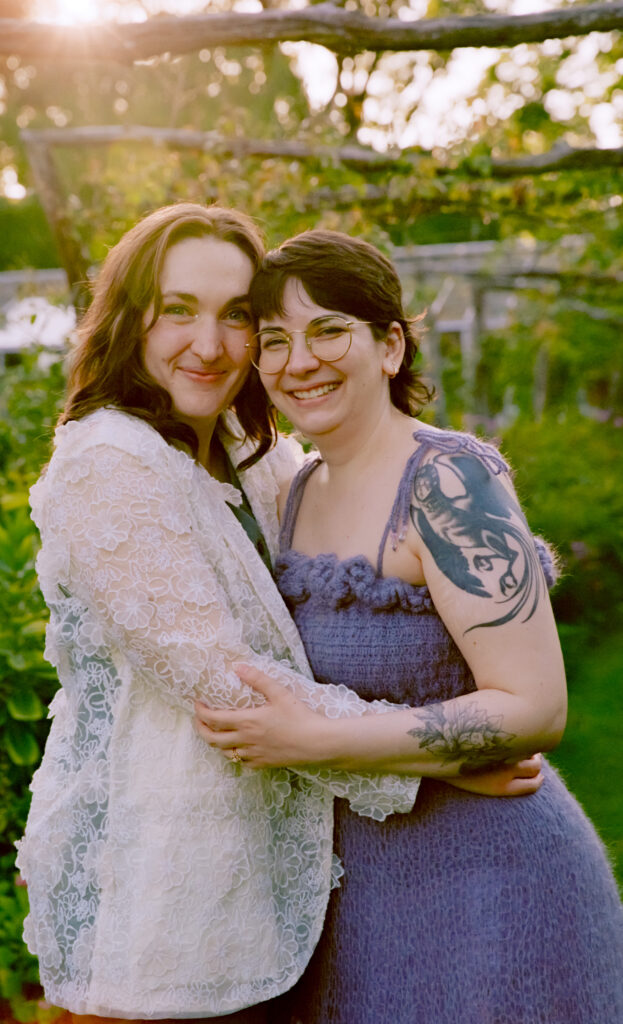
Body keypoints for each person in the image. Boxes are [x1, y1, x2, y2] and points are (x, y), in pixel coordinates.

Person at [16, 204, 541, 1024]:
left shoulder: (248, 454)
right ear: (128, 319)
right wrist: (440, 760)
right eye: (178, 310)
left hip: (278, 900)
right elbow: (234, 693)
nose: (210, 343)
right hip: (167, 907)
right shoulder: (107, 462)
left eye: (236, 317)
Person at [195, 228, 623, 1024]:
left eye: (328, 330)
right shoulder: (296, 491)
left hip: (495, 889)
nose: (297, 361)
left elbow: (534, 707)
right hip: (363, 895)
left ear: (390, 345)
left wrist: (316, 740)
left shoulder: (447, 479)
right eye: (276, 340)